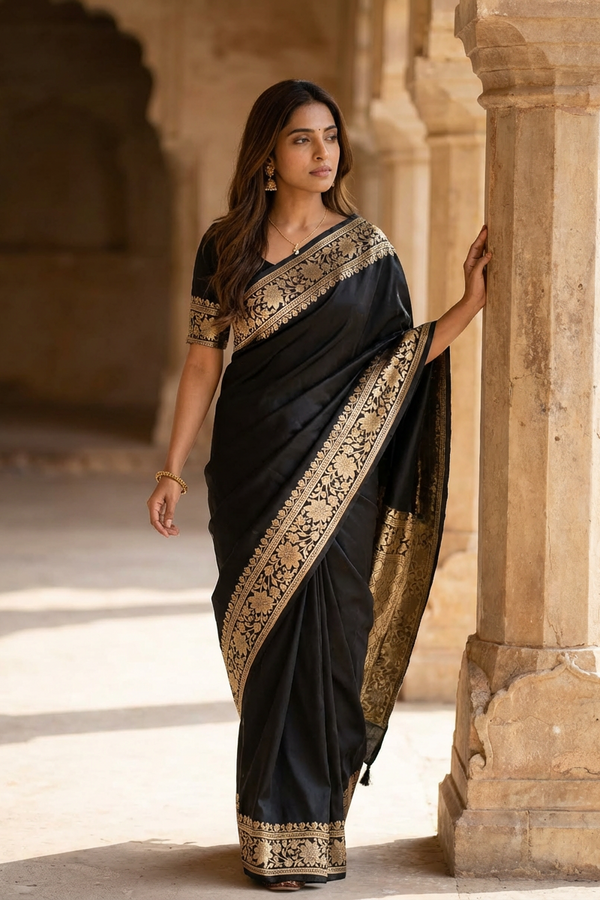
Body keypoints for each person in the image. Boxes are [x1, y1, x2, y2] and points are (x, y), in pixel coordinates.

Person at [147, 79, 489, 892]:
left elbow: (399, 359)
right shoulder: (224, 247)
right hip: (251, 473)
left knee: (334, 638)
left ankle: (315, 829)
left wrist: (470, 304)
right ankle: (270, 831)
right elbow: (205, 360)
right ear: (269, 153)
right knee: (267, 649)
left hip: (340, 480)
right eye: (303, 139)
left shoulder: (368, 252)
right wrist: (172, 464)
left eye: (331, 137)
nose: (323, 152)